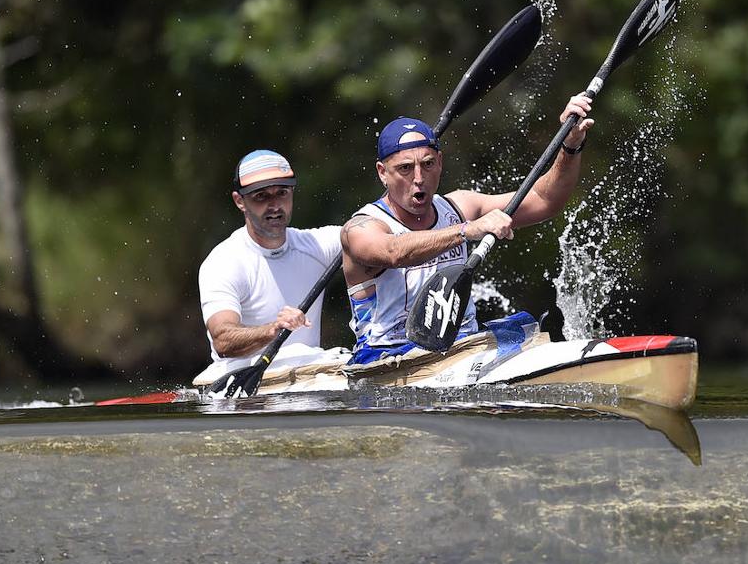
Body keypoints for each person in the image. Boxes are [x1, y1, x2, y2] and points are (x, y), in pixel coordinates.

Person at [340, 95, 594, 363]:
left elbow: (545, 200)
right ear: (382, 172)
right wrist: (466, 230)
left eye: (427, 164)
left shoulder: (460, 205)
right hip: (387, 358)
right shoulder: (360, 228)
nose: (418, 178)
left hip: (462, 347)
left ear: (439, 161)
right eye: (405, 168)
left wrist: (570, 146)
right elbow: (394, 252)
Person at [198, 150, 342, 372]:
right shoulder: (223, 262)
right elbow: (223, 341)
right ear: (240, 201)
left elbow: (379, 235)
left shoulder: (317, 245)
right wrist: (274, 329)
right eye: (261, 196)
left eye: (282, 193)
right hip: (243, 391)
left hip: (308, 379)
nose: (275, 205)